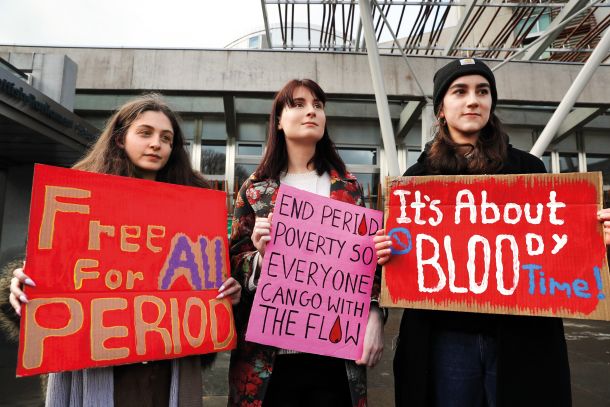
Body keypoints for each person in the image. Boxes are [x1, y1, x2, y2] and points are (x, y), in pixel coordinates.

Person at [0, 94, 241, 407]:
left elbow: (202, 281)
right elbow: (56, 267)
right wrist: (20, 283)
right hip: (96, 376)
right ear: (119, 138)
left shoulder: (192, 205)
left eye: (166, 138)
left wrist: (224, 293)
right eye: (145, 133)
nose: (157, 143)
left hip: (168, 374)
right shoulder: (81, 195)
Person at [386, 58, 575, 407]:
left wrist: (590, 237)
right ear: (440, 108)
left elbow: (557, 247)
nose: (474, 100)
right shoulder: (415, 181)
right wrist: (388, 252)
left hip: (520, 338)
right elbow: (408, 259)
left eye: (483, 91)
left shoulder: (529, 171)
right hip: (445, 337)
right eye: (460, 91)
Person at [227, 79, 385, 407]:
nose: (311, 110)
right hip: (269, 361)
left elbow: (367, 266)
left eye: (318, 104)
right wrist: (258, 256)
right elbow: (232, 267)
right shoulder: (255, 189)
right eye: (297, 104)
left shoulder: (349, 188)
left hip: (335, 356)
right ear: (279, 122)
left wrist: (375, 316)